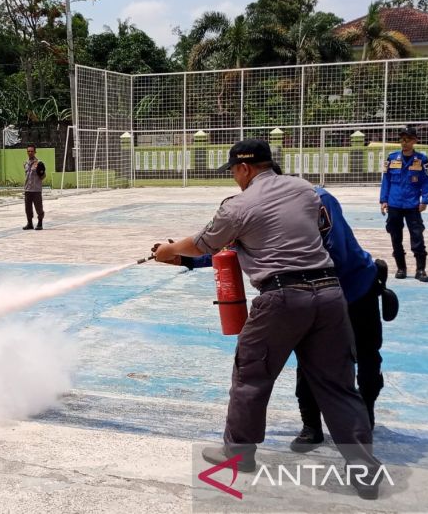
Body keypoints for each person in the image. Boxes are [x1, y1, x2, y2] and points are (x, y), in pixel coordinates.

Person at [153, 139, 380, 500]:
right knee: (338, 385)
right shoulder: (307, 190)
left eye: (232, 172)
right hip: (330, 294)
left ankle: (239, 454)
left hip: (282, 298)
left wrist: (169, 251)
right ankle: (364, 469)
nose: (233, 179)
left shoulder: (239, 205)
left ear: (244, 169)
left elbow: (205, 243)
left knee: (251, 376)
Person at [174, 180, 395, 448]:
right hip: (317, 294)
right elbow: (237, 245)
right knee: (311, 363)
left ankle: (365, 418)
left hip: (353, 290)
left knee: (363, 359)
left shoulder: (316, 198)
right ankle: (312, 426)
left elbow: (337, 250)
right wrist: (186, 259)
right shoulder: (262, 206)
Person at [380, 126, 428, 282]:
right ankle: (401, 268)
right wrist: (383, 200)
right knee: (395, 236)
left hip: (413, 205)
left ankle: (421, 270)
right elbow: (386, 181)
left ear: (415, 140)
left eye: (408, 139)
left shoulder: (422, 160)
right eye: (402, 139)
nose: (405, 142)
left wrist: (425, 199)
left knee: (417, 236)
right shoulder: (391, 158)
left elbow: (426, 181)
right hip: (394, 204)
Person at [22, 144, 46, 230]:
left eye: (32, 151)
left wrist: (41, 172)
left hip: (36, 189)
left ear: (35, 152)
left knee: (39, 208)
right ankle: (30, 223)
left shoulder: (39, 163)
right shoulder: (25, 163)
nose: (30, 152)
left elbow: (43, 176)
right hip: (28, 189)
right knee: (28, 208)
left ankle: (40, 223)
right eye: (28, 151)